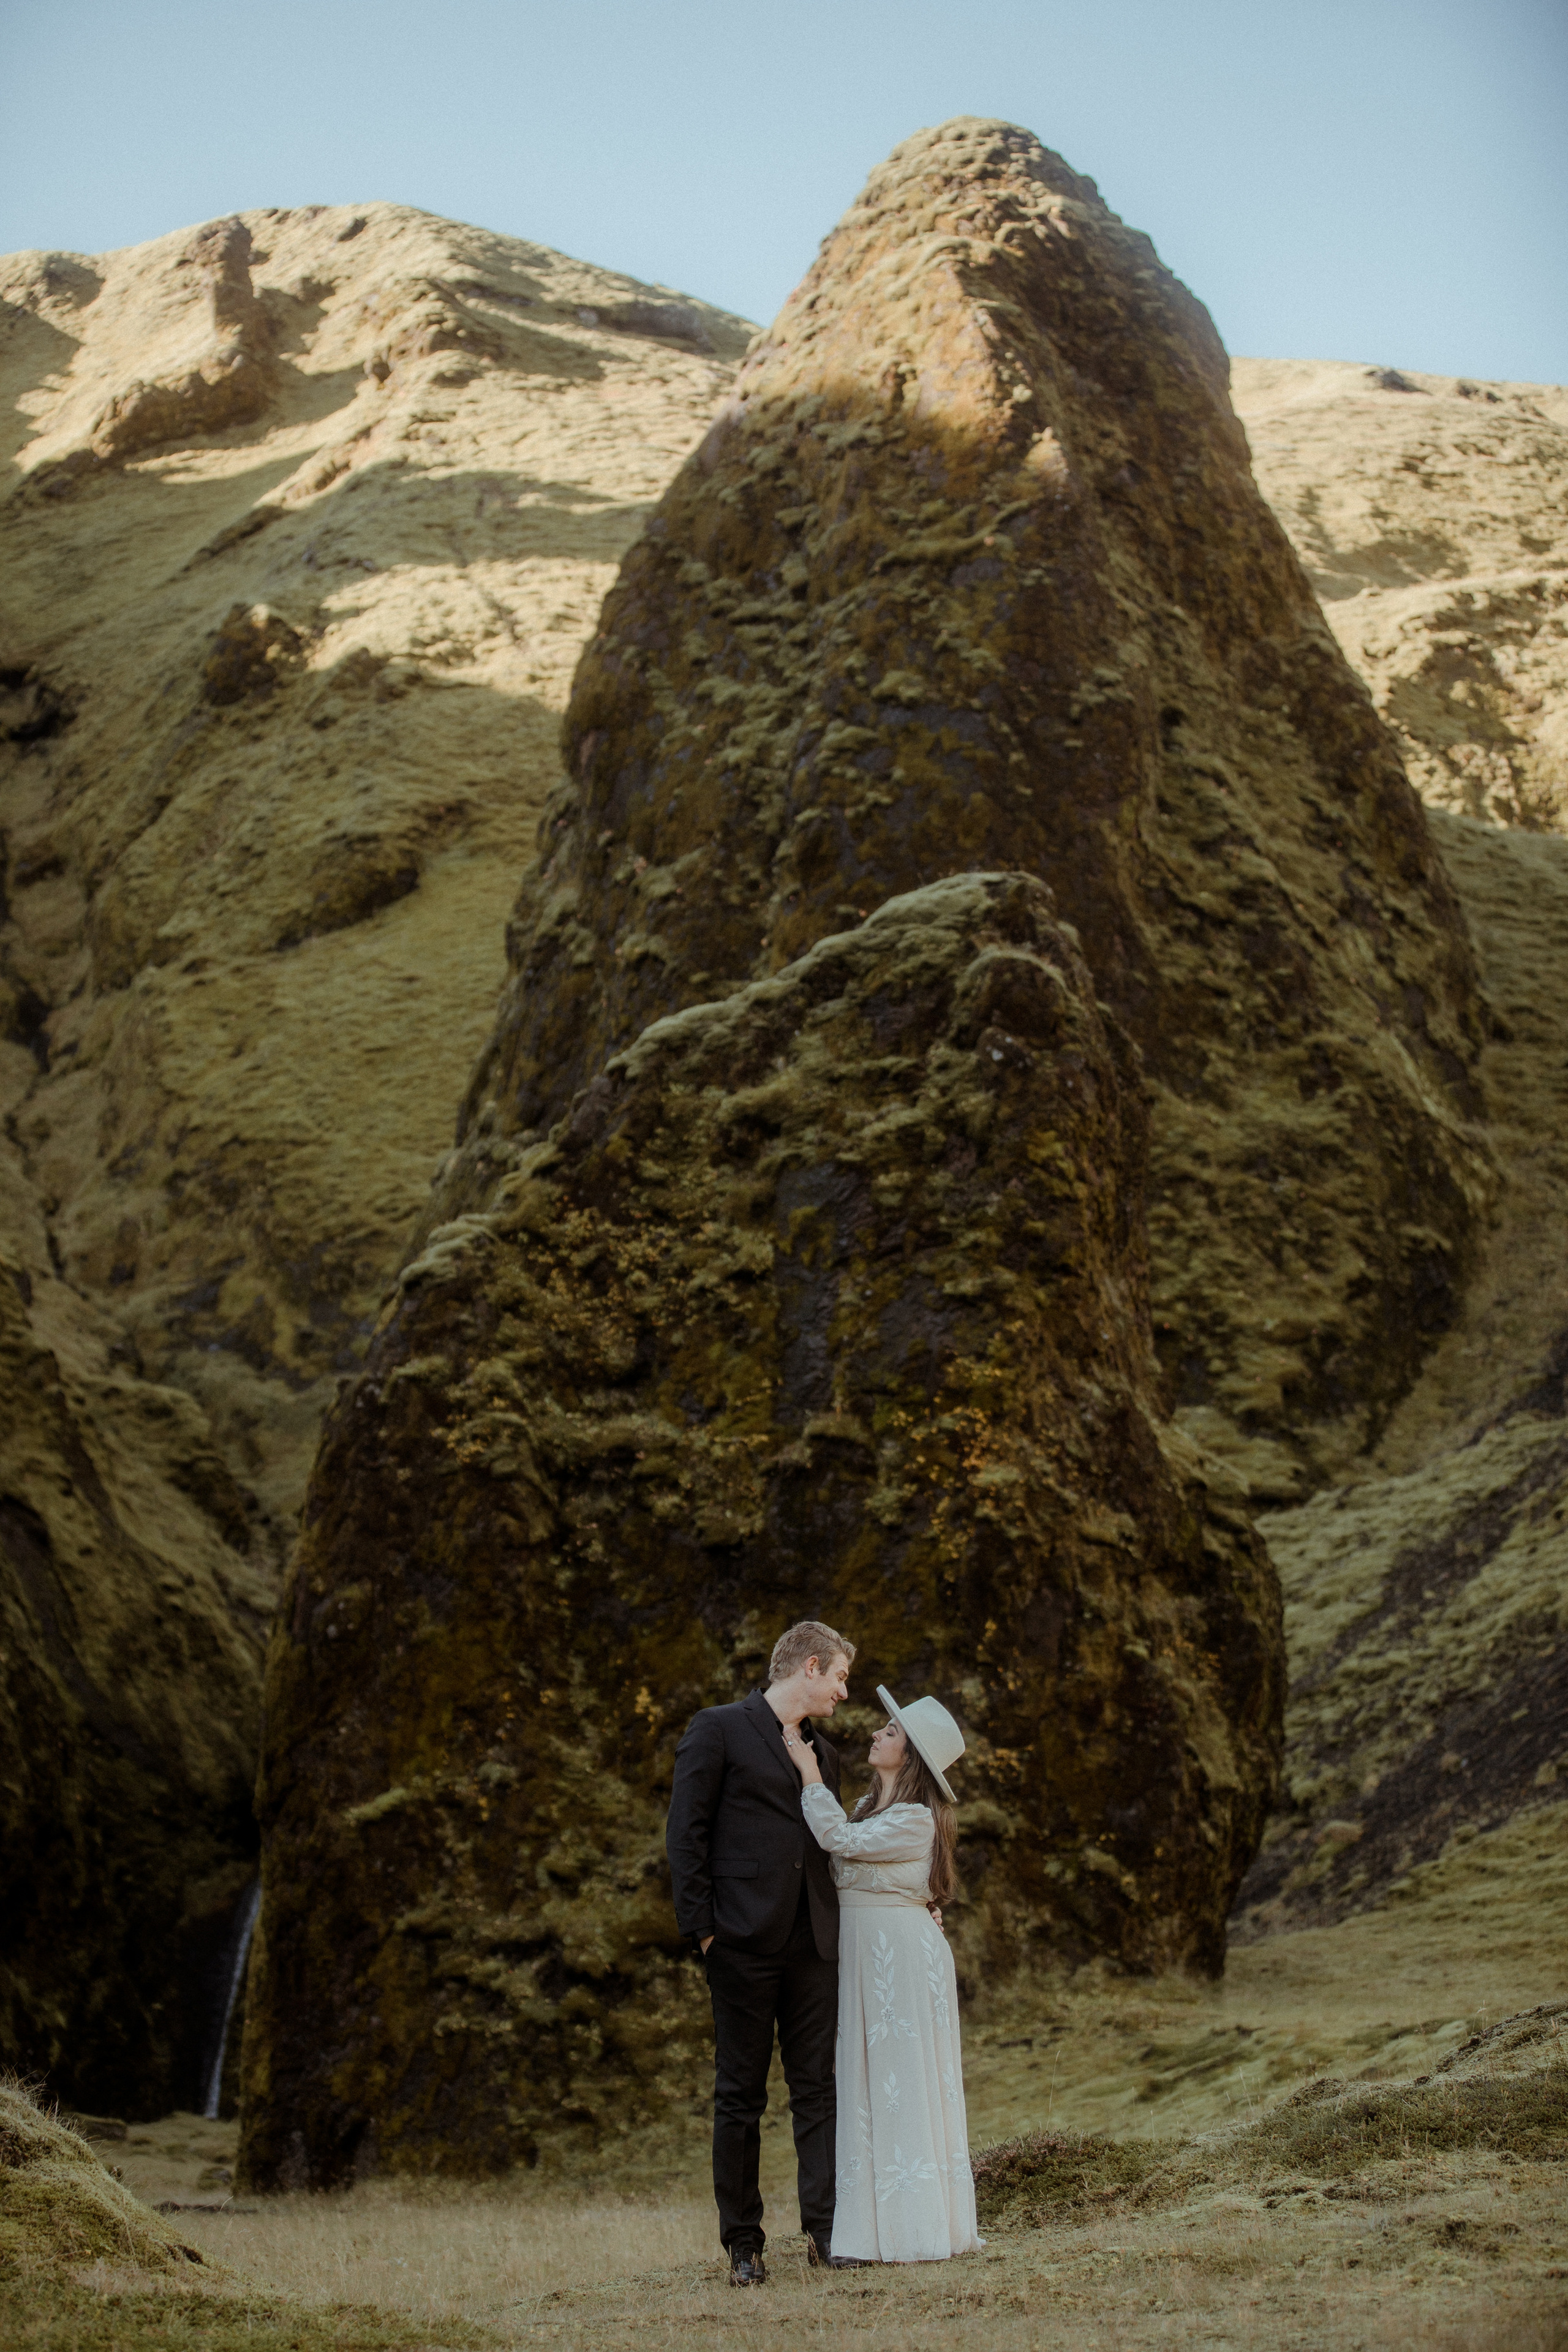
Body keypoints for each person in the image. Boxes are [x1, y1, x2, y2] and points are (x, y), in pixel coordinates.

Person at [665, 1620, 856, 2288]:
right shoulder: (717, 1728)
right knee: (739, 2097)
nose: (842, 1692)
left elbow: (832, 1846)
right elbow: (685, 1831)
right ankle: (743, 2245)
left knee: (818, 2091)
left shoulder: (825, 1757)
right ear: (808, 1667)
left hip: (814, 1946)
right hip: (740, 1942)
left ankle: (827, 2233)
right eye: (838, 1677)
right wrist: (704, 1931)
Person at [785, 1681, 982, 2264]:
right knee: (866, 2081)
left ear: (911, 1755)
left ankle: (912, 2228)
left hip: (897, 1956)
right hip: (869, 1954)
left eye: (890, 1731)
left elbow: (837, 1841)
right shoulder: (875, 1807)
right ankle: (868, 2229)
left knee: (900, 2081)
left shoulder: (917, 1818)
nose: (876, 1733)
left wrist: (809, 1773)